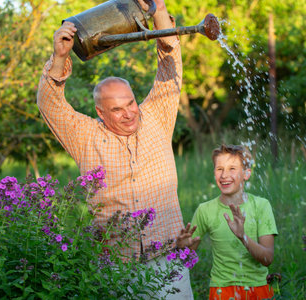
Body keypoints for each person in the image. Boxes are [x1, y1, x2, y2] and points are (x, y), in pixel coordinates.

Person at [36, 0, 193, 298]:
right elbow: (49, 105)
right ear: (100, 112)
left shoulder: (156, 116)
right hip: (118, 266)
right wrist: (59, 58)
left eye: (130, 102)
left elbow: (170, 63)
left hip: (168, 259)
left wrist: (158, 11)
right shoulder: (85, 136)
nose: (129, 113)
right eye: (117, 109)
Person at [176, 144, 278, 300]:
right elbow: (187, 260)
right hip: (221, 290)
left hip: (258, 288)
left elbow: (267, 259)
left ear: (246, 174)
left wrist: (243, 236)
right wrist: (183, 248)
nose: (224, 175)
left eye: (232, 169)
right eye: (220, 169)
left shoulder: (261, 206)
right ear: (214, 173)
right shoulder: (205, 210)